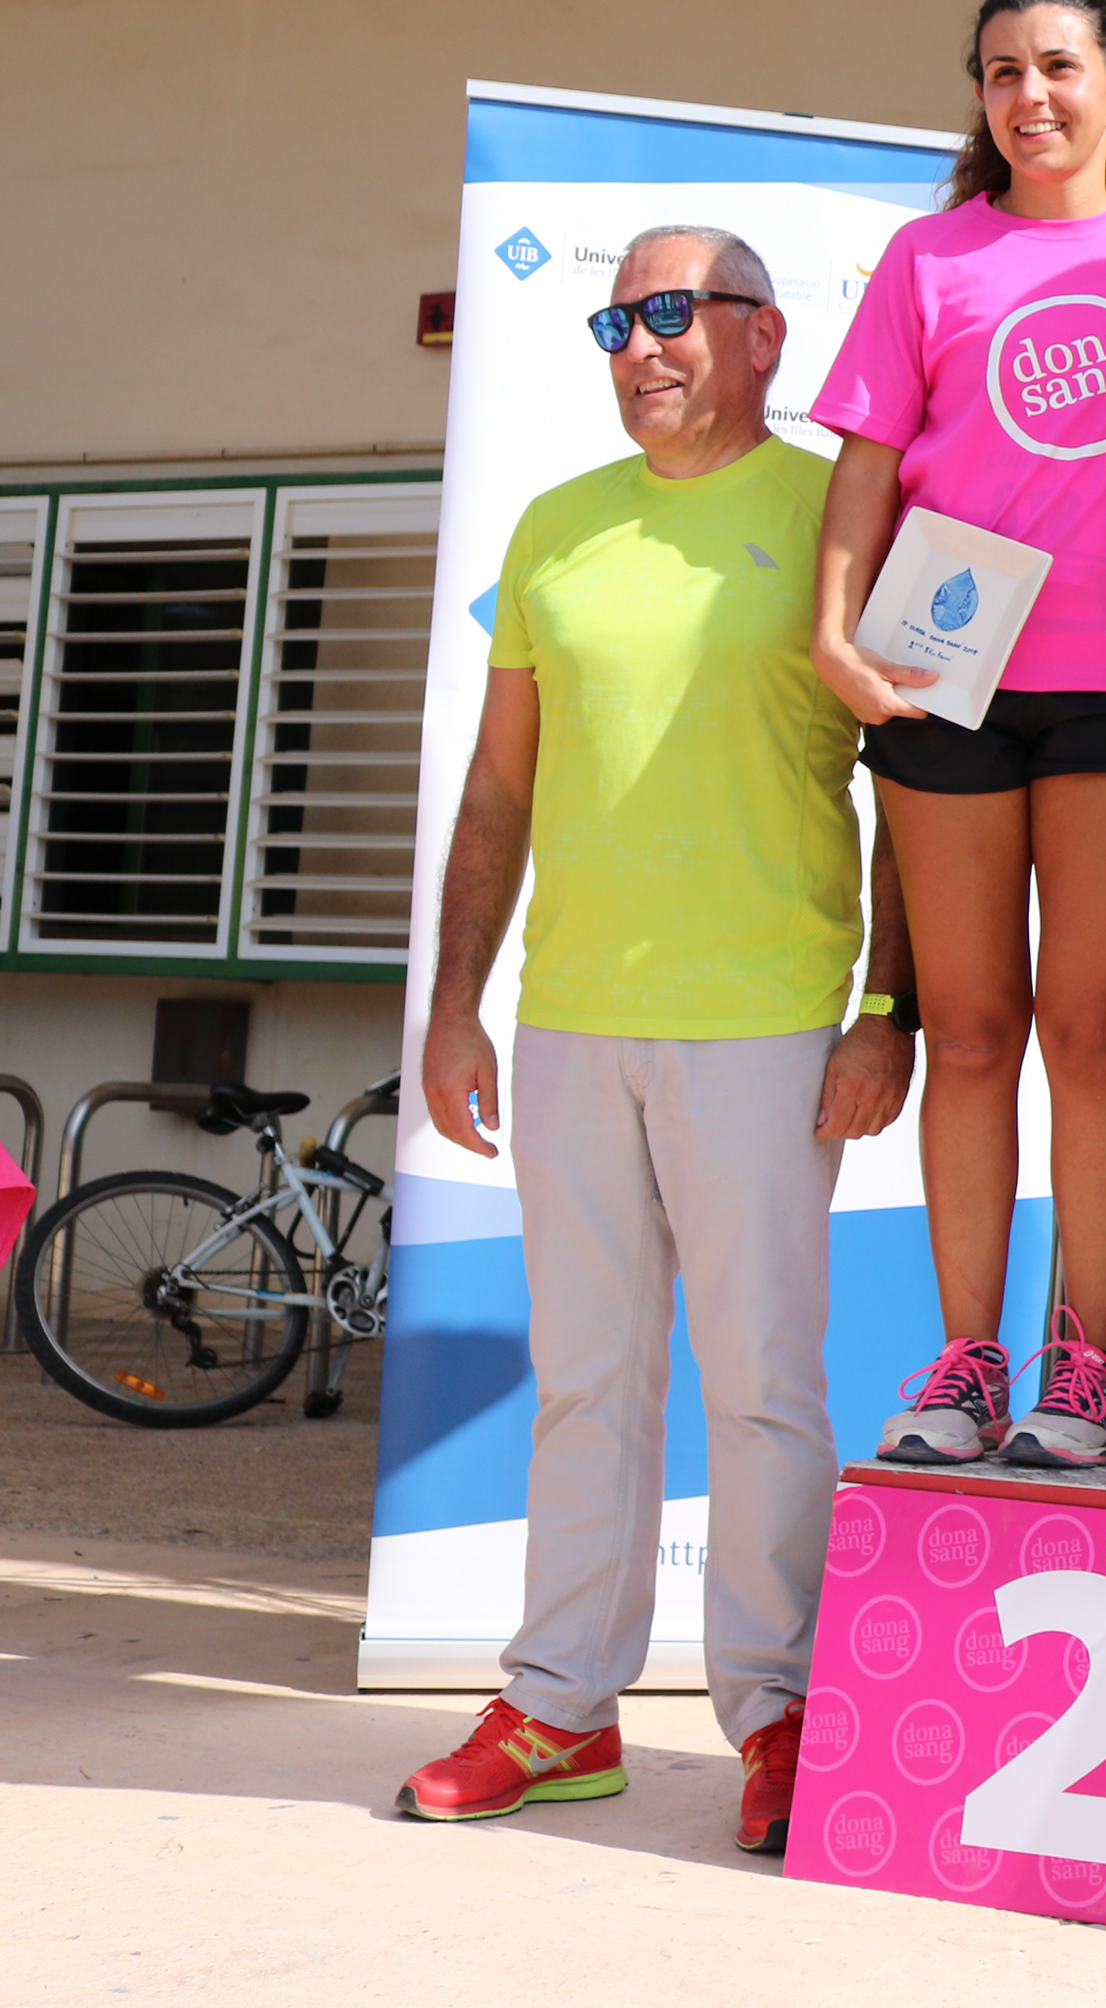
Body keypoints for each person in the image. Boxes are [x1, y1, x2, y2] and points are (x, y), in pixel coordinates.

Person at [406, 227, 917, 1851]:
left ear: (765, 336)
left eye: (675, 312)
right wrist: (455, 1003)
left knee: (762, 1385)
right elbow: (500, 787)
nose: (642, 344)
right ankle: (561, 1706)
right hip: (570, 1017)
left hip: (768, 1020)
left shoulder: (845, 512)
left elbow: (918, 787)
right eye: (619, 319)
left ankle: (777, 1713)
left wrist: (888, 1008)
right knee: (587, 1382)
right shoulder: (557, 525)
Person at [813, 0, 1106, 1470]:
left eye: (1056, 66)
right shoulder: (929, 256)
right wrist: (833, 632)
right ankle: (968, 1361)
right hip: (944, 674)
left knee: (1088, 1029)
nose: (1028, 97)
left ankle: (1086, 1364)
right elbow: (867, 463)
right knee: (972, 1030)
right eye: (1000, 73)